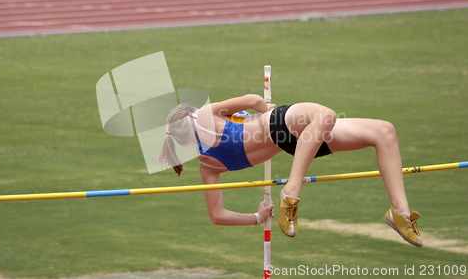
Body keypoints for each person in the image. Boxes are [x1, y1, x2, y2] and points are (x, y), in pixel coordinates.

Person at [158, 94, 422, 247]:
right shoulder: (204, 114)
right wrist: (265, 107)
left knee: (383, 131)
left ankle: (399, 213)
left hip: (298, 143)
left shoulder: (208, 167)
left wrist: (257, 218)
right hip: (279, 124)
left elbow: (217, 215)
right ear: (191, 117)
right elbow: (253, 99)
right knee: (328, 115)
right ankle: (291, 191)